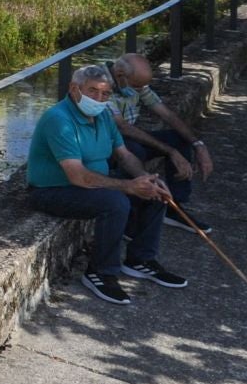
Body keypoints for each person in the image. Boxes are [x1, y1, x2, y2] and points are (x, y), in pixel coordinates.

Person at [26, 64, 183, 305]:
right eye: (92, 91)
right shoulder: (59, 120)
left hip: (89, 184)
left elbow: (124, 155)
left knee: (154, 190)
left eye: (105, 93)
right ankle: (100, 272)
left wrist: (146, 179)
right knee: (116, 202)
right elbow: (77, 176)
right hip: (51, 190)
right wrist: (128, 186)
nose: (99, 98)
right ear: (73, 89)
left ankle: (140, 260)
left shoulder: (103, 116)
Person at [105, 52, 215, 231]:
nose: (140, 90)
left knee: (178, 138)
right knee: (134, 152)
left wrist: (198, 145)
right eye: (137, 86)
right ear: (119, 76)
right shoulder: (100, 83)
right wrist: (170, 151)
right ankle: (130, 218)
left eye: (142, 87)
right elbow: (122, 127)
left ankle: (175, 208)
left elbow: (167, 114)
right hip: (108, 145)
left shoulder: (134, 82)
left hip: (126, 139)